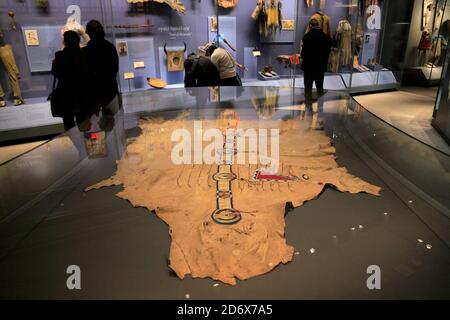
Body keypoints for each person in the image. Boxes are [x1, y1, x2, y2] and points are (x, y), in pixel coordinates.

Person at [51, 30, 89, 130]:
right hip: (82, 95)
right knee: (83, 125)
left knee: (69, 126)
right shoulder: (83, 55)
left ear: (65, 41)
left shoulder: (59, 55)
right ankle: (83, 145)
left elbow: (55, 72)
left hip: (66, 95)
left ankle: (74, 145)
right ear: (77, 41)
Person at [83, 20, 119, 115]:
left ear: (90, 33)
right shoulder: (110, 47)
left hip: (94, 90)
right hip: (109, 87)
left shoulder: (87, 50)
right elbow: (115, 69)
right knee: (110, 121)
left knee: (94, 124)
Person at [300, 18, 332, 99]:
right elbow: (328, 52)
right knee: (320, 89)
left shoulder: (307, 37)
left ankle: (308, 108)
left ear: (310, 26)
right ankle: (320, 108)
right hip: (320, 67)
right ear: (318, 25)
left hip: (308, 68)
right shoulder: (326, 37)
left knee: (308, 89)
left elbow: (303, 53)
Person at [0, 29, 24, 107]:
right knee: (12, 71)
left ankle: (16, 96)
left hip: (3, 45)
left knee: (12, 71)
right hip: (4, 45)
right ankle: (1, 97)